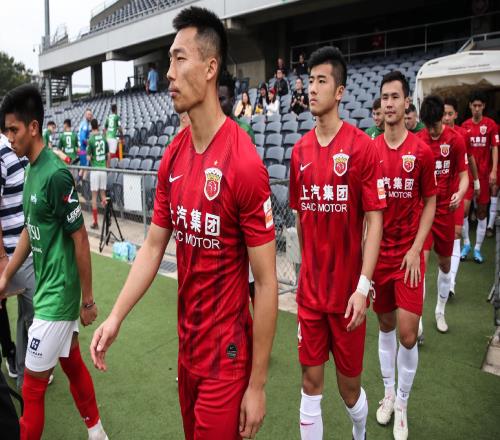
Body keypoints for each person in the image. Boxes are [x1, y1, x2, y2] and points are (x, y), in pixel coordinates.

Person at [90, 7, 278, 440]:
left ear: (210, 68)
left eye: (179, 59)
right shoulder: (173, 155)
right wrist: (116, 317)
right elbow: (154, 246)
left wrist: (257, 385)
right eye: (168, 61)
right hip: (187, 351)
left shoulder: (244, 163)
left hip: (227, 359)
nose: (169, 74)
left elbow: (267, 283)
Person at [0, 84, 107, 440]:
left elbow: (80, 238)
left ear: (33, 127)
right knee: (71, 363)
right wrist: (7, 275)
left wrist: (87, 300)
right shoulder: (31, 169)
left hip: (57, 298)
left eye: (13, 129)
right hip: (47, 290)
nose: (9, 138)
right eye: (5, 130)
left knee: (31, 388)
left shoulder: (55, 174)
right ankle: (97, 433)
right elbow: (29, 231)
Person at [289, 46, 385, 440]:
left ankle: (359, 430)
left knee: (349, 392)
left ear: (340, 91)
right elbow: (299, 217)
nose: (312, 89)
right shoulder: (299, 152)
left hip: (348, 297)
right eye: (310, 81)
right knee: (310, 384)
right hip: (311, 296)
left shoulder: (362, 147)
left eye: (321, 81)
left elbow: (375, 220)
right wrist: (305, 271)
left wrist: (363, 286)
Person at [373, 71, 436, 440]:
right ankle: (387, 392)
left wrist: (416, 249)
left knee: (408, 336)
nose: (390, 103)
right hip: (378, 256)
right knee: (385, 326)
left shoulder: (421, 151)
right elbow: (367, 211)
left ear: (407, 102)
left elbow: (430, 201)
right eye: (385, 98)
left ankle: (402, 404)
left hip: (408, 258)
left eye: (395, 97)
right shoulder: (371, 151)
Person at [418, 95, 469, 334]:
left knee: (445, 264)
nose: (432, 131)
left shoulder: (456, 140)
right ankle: (417, 318)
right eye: (428, 126)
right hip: (423, 211)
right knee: (420, 263)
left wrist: (460, 193)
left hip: (445, 212)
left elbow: (464, 175)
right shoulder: (419, 140)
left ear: (443, 118)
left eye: (435, 125)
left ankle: (440, 311)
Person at [0, 131, 35, 390]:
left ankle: (24, 368)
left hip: (29, 247)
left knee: (28, 312)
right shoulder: (2, 153)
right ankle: (25, 369)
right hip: (13, 252)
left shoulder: (19, 147)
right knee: (35, 311)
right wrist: (2, 257)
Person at [442, 97, 480, 296]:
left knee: (456, 232)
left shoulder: (463, 135)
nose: (446, 118)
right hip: (438, 195)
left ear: (456, 114)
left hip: (459, 188)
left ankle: (451, 282)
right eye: (444, 114)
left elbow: (470, 159)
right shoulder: (434, 134)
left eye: (450, 114)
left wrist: (476, 181)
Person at [461, 90, 498, 263]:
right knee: (464, 211)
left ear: (483, 106)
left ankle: (477, 249)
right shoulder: (464, 126)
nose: (476, 108)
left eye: (479, 105)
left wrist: (494, 170)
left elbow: (495, 147)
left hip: (484, 175)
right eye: (474, 105)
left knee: (482, 212)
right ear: (470, 106)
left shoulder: (491, 125)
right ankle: (466, 244)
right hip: (468, 175)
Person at [87, 119, 110, 230]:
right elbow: (108, 154)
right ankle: (108, 219)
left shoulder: (91, 139)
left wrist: (92, 160)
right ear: (98, 126)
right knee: (103, 195)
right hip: (103, 169)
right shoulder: (103, 138)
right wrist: (107, 167)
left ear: (91, 127)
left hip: (95, 170)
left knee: (94, 197)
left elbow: (88, 157)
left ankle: (95, 222)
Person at [219, 72, 255, 143]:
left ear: (232, 101)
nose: (217, 104)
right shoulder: (209, 132)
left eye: (221, 99)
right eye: (214, 99)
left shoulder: (245, 130)